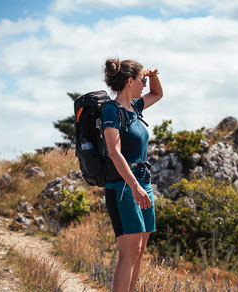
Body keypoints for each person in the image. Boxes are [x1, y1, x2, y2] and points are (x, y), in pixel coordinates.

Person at [101, 57, 163, 292]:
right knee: (129, 252)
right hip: (124, 187)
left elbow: (157, 94)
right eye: (141, 80)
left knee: (139, 252)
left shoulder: (135, 107)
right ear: (129, 81)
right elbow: (115, 153)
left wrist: (151, 74)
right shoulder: (111, 110)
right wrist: (135, 186)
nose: (144, 85)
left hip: (142, 184)